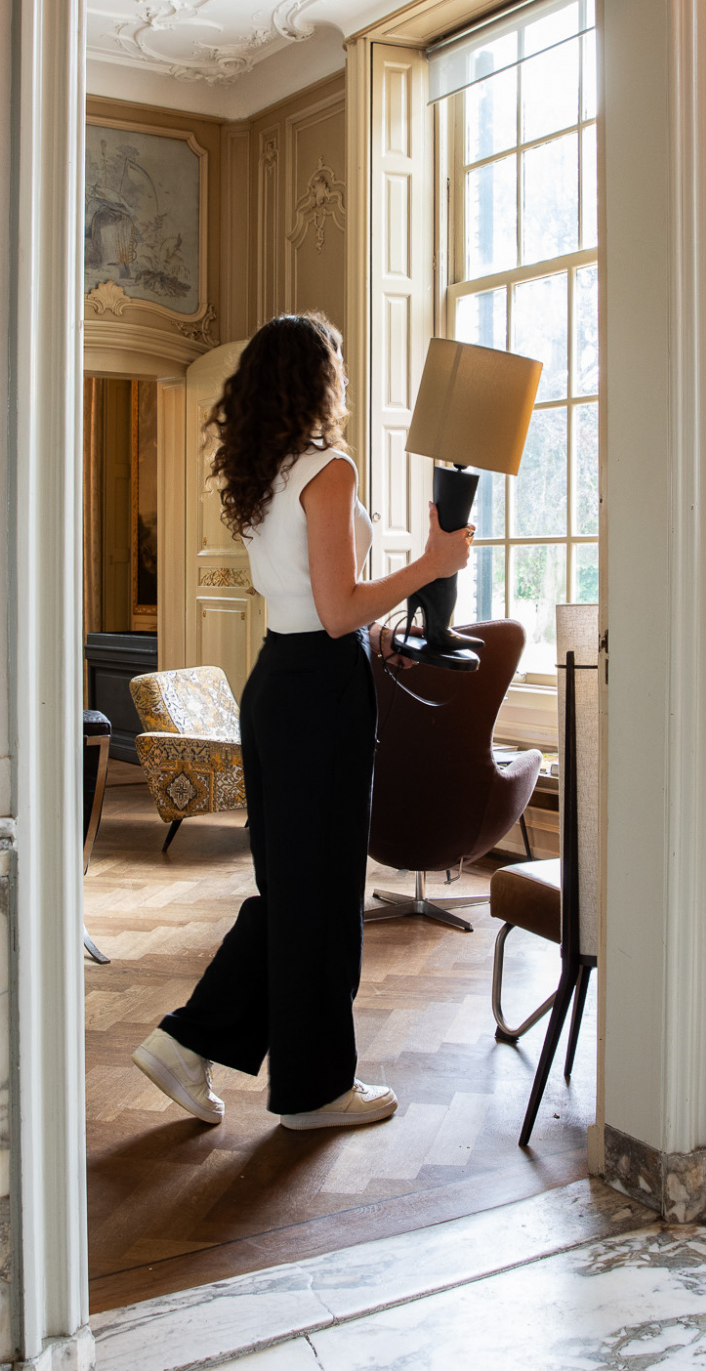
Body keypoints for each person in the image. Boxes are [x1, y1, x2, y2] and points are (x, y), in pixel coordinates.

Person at [132, 312, 472, 1131]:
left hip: (280, 683)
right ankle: (314, 1093)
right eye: (337, 367)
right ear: (321, 378)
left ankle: (189, 1044)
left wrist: (366, 634)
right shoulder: (329, 468)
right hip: (319, 691)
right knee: (319, 895)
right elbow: (336, 608)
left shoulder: (267, 471)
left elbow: (315, 607)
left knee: (294, 891)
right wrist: (432, 565)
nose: (343, 380)